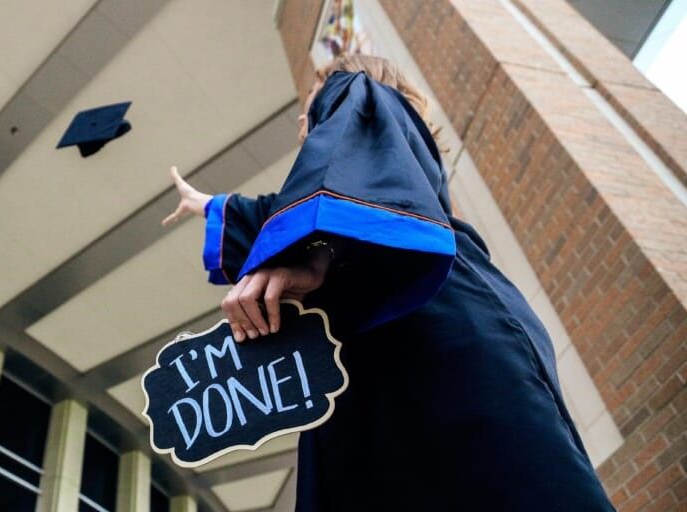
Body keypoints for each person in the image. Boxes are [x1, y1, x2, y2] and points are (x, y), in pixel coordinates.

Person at [162, 54, 614, 511]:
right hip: (393, 330)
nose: (305, 115)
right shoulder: (379, 161)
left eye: (313, 99)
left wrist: (316, 251)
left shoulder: (358, 91)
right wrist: (209, 204)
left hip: (433, 316)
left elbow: (340, 188)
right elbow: (291, 206)